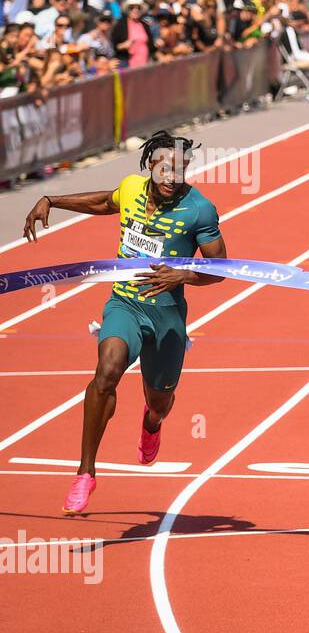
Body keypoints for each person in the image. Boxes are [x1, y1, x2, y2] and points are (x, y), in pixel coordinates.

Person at [21, 131, 227, 515]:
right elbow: (103, 202)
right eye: (165, 168)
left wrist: (182, 275)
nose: (171, 177)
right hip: (125, 305)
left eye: (180, 170)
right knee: (107, 371)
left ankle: (151, 424)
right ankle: (85, 472)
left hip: (166, 315)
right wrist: (52, 199)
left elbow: (220, 269)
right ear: (151, 165)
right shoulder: (131, 189)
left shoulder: (199, 209)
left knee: (159, 401)